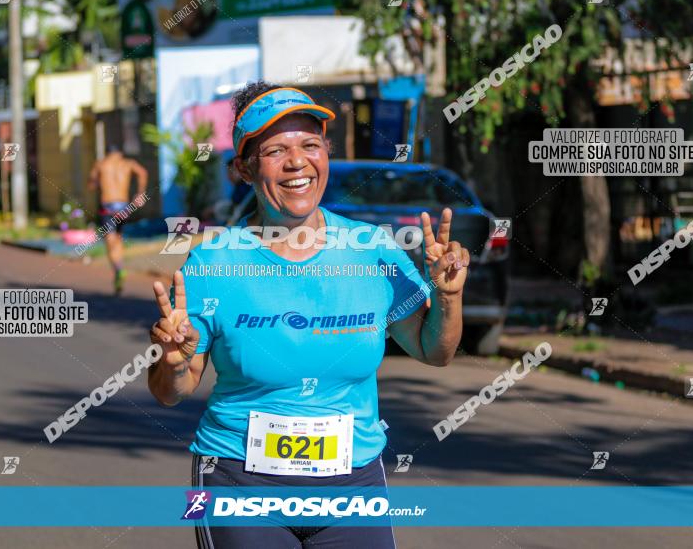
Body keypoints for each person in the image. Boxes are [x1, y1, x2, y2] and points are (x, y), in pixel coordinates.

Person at [147, 83, 470, 548]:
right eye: (275, 150)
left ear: (326, 155)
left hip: (353, 486)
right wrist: (173, 362)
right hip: (240, 482)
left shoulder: (373, 252)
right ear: (243, 168)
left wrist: (447, 297)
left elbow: (434, 351)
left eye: (310, 145)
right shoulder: (213, 265)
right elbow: (170, 393)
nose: (297, 161)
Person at [88, 145, 148, 295]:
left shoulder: (101, 164)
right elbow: (143, 172)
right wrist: (140, 193)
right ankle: (119, 269)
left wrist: (96, 183)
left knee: (110, 241)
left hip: (107, 207)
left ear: (107, 153)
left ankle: (118, 268)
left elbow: (91, 185)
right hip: (124, 207)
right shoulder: (128, 163)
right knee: (119, 238)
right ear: (119, 153)